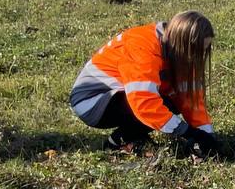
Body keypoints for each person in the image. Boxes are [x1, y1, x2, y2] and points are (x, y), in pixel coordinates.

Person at [69, 11, 218, 156]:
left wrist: (207, 136)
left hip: (118, 97)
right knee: (162, 104)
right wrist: (188, 132)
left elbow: (191, 101)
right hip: (92, 101)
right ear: (184, 43)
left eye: (203, 51)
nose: (198, 57)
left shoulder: (179, 51)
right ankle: (121, 140)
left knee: (172, 101)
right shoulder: (143, 47)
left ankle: (127, 137)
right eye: (197, 50)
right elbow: (145, 103)